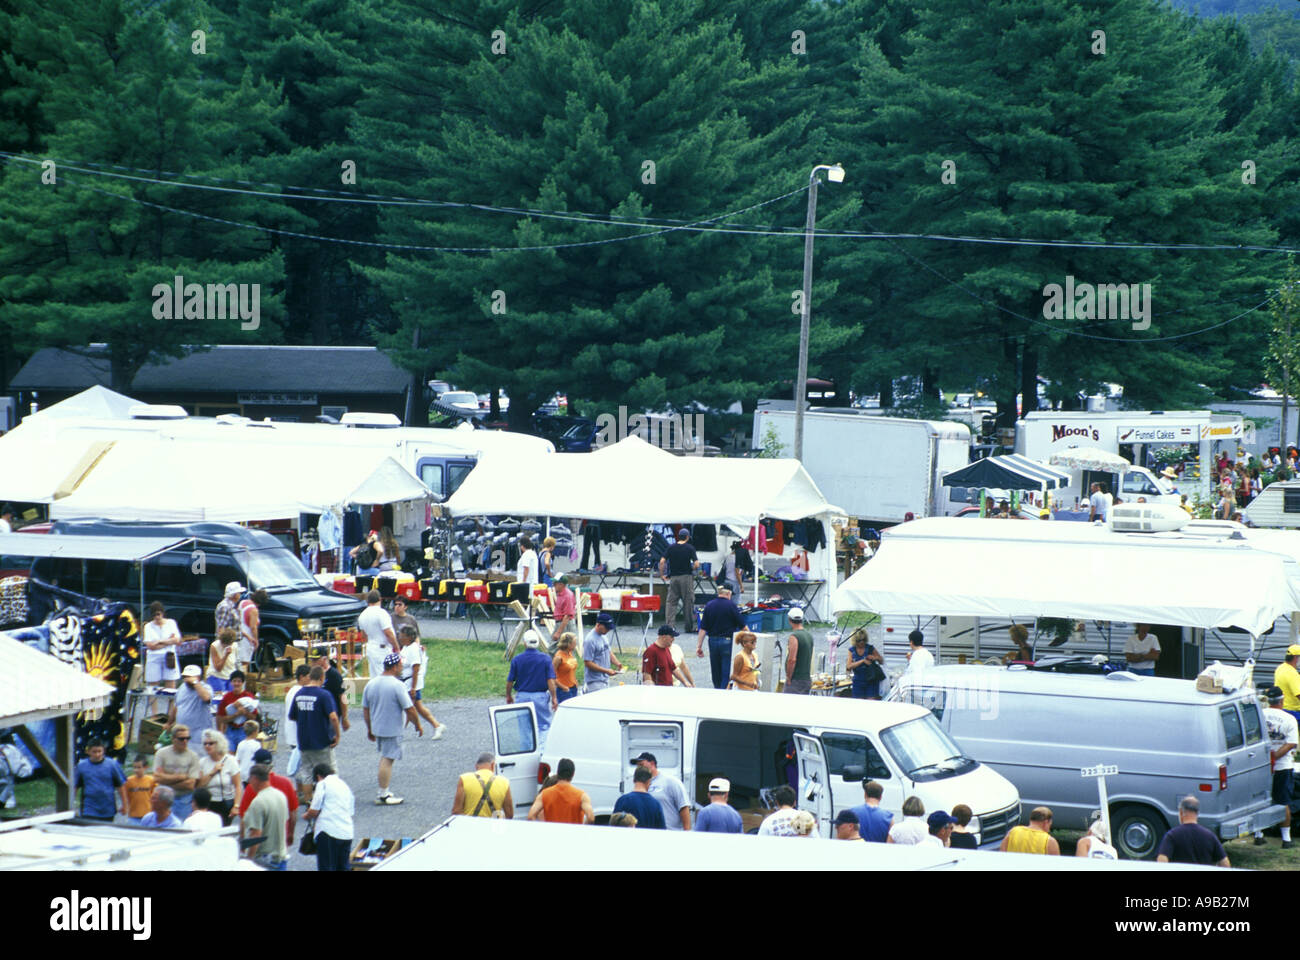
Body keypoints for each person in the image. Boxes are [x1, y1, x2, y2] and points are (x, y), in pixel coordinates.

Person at [363, 651, 424, 804]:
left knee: (385, 757)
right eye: (401, 665)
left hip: (377, 727)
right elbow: (409, 708)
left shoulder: (371, 684)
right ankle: (383, 794)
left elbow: (365, 708)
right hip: (392, 728)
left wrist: (369, 728)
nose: (402, 668)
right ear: (395, 666)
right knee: (388, 759)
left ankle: (384, 790)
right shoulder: (398, 686)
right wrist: (418, 725)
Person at [1255, 685, 1298, 849]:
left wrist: (1267, 758)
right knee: (1283, 802)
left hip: (1260, 766)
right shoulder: (1289, 719)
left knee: (1258, 801)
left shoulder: (1260, 715)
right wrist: (1275, 757)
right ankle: (1286, 839)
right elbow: (1291, 743)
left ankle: (1259, 835)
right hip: (1283, 766)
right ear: (1282, 700)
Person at [238, 748, 298, 846]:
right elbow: (293, 813)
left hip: (259, 839)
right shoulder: (286, 783)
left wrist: (242, 838)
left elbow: (243, 817)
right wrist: (291, 833)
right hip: (281, 835)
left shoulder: (252, 786)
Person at [506, 630, 559, 742]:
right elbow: (550, 680)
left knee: (524, 728)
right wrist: (554, 697)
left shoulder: (517, 659)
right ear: (538, 643)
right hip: (540, 696)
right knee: (543, 726)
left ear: (525, 643)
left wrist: (508, 695)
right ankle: (542, 751)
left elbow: (510, 680)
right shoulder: (545, 659)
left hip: (522, 696)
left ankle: (527, 751)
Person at [305, 763, 355, 872]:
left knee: (326, 867)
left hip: (328, 832)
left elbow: (314, 810)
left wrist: (306, 815)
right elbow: (350, 811)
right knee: (343, 867)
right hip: (346, 832)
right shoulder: (345, 786)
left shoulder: (323, 784)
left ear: (318, 776)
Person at [398, 626, 445, 736]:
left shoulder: (413, 649)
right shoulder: (405, 647)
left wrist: (414, 688)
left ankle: (402, 730)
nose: (399, 638)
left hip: (411, 683)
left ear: (409, 637)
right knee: (416, 707)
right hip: (406, 682)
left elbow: (416, 669)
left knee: (410, 707)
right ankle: (436, 725)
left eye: (402, 636)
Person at [696, 585, 746, 689]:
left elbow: (703, 628)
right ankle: (724, 691)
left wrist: (699, 646)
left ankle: (717, 689)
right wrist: (753, 638)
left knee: (715, 670)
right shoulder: (731, 605)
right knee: (726, 671)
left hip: (712, 641)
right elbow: (743, 626)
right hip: (727, 641)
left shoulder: (709, 605)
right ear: (729, 593)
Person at [1156, 796, 1229, 866]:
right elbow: (1225, 863)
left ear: (1181, 812)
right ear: (1197, 813)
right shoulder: (1210, 836)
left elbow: (1162, 860)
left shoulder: (1172, 835)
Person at [243, 764, 290, 870]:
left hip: (265, 860)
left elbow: (255, 835)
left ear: (254, 779)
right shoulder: (281, 796)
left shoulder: (258, 802)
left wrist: (249, 861)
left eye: (249, 780)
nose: (249, 783)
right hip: (281, 856)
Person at [631, 751, 690, 830]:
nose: (639, 768)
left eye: (641, 765)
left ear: (652, 764)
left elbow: (683, 807)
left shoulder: (670, 782)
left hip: (670, 833)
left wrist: (687, 832)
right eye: (637, 766)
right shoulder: (640, 784)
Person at [152, 724, 200, 820]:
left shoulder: (193, 756)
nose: (185, 741)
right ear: (173, 739)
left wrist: (165, 781)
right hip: (163, 799)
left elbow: (190, 784)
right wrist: (181, 777)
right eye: (181, 739)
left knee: (181, 828)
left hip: (184, 799)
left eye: (187, 738)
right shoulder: (161, 753)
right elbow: (157, 778)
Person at [527, 757, 594, 824]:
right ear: (573, 774)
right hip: (573, 834)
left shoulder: (544, 794)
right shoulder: (581, 796)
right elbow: (590, 817)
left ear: (558, 773)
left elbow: (530, 816)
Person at [196, 728, 242, 825]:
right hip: (209, 803)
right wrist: (213, 772)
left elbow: (238, 786)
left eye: (210, 743)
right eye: (205, 744)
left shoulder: (231, 761)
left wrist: (236, 806)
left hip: (226, 802)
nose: (207, 746)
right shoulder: (202, 762)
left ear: (218, 744)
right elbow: (199, 786)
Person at [73, 740, 126, 822]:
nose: (97, 754)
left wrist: (124, 804)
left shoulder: (112, 765)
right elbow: (75, 786)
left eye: (99, 751)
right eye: (94, 752)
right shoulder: (82, 766)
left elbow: (120, 785)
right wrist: (71, 804)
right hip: (89, 808)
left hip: (107, 808)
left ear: (103, 751)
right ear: (88, 752)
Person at [659, 528, 699, 634]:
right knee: (688, 602)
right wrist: (691, 569)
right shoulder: (690, 548)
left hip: (673, 578)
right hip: (686, 577)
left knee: (671, 603)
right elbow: (696, 564)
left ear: (678, 536)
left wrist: (662, 574)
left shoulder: (671, 547)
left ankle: (670, 627)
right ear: (687, 537)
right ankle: (689, 627)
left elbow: (662, 561)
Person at [453, 752, 514, 819]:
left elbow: (456, 811)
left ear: (476, 766)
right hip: (493, 827)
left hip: (470, 827)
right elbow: (509, 815)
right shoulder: (504, 782)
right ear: (493, 765)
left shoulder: (464, 779)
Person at [358, 589, 398, 680]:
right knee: (385, 677)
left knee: (374, 677)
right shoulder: (381, 613)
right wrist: (396, 647)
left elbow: (364, 635)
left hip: (371, 647)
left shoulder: (362, 615)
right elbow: (388, 633)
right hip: (382, 648)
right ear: (380, 599)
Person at [169, 664, 215, 746]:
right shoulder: (182, 687)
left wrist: (195, 682)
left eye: (190, 676)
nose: (187, 679)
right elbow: (176, 706)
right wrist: (169, 723)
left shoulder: (205, 687)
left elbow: (206, 698)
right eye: (185, 676)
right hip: (182, 733)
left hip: (199, 734)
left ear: (198, 677)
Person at [142, 600, 182, 690]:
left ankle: (171, 704)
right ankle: (153, 704)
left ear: (162, 613)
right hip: (154, 657)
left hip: (169, 656)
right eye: (154, 615)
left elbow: (177, 640)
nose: (157, 617)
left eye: (158, 614)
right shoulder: (148, 626)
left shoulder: (171, 623)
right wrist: (169, 641)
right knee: (152, 687)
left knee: (171, 685)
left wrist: (158, 641)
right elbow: (150, 646)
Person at [217, 670, 258, 753]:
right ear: (231, 682)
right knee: (229, 755)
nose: (236, 684)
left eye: (239, 681)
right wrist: (236, 714)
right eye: (234, 681)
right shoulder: (227, 697)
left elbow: (254, 717)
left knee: (242, 754)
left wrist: (245, 713)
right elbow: (221, 718)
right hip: (230, 730)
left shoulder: (248, 696)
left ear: (243, 683)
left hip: (244, 730)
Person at [312, 645, 350, 731]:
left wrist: (344, 718)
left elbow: (343, 696)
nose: (313, 663)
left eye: (316, 660)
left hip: (331, 714)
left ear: (325, 659)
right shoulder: (312, 674)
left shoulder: (334, 675)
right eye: (312, 660)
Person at [582, 612, 623, 692]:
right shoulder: (590, 640)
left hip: (604, 679)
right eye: (606, 628)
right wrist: (606, 670)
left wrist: (617, 663)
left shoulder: (604, 636)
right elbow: (587, 663)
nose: (608, 630)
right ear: (598, 624)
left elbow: (608, 651)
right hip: (594, 681)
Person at [845, 628, 885, 699]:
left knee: (871, 701)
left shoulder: (870, 648)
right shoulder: (852, 650)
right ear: (854, 640)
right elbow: (848, 666)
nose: (861, 642)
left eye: (863, 640)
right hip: (858, 681)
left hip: (871, 680)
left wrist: (874, 657)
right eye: (859, 640)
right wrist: (862, 661)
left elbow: (881, 661)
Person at [781, 607, 813, 694]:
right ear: (802, 619)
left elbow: (792, 660)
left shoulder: (794, 637)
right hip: (806, 678)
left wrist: (788, 677)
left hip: (796, 679)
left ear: (789, 620)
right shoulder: (809, 635)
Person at [213, 581, 243, 667]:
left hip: (234, 643)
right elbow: (221, 628)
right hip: (228, 644)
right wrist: (223, 647)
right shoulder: (225, 607)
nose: (240, 594)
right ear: (233, 594)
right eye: (238, 592)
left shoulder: (232, 606)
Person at [237, 589, 267, 670]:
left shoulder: (242, 603)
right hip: (247, 638)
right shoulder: (254, 610)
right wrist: (256, 640)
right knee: (244, 663)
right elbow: (253, 627)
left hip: (239, 633)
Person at [124, 755, 155, 825]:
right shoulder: (129, 781)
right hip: (133, 816)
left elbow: (154, 797)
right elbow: (126, 796)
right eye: (134, 767)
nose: (136, 770)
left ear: (146, 767)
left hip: (148, 815)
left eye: (139, 767)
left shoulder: (151, 780)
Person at [1274, 645, 1300, 725]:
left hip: (1282, 708)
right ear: (1296, 658)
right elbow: (1298, 694)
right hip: (1293, 712)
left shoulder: (1280, 668)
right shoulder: (1292, 673)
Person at [207, 627, 238, 693]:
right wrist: (226, 655)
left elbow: (236, 664)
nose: (224, 645)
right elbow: (218, 668)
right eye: (223, 643)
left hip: (230, 677)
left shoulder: (235, 645)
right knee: (218, 700)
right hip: (216, 677)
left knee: (230, 700)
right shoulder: (214, 646)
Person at [553, 632, 580, 704]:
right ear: (568, 644)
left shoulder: (570, 653)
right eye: (574, 643)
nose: (576, 645)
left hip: (573, 687)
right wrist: (563, 687)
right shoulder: (558, 657)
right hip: (564, 690)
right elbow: (551, 676)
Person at [551, 572, 577, 640]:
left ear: (561, 584)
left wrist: (558, 632)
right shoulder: (560, 594)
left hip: (565, 625)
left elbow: (567, 616)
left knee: (556, 648)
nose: (553, 585)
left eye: (555, 583)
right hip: (561, 624)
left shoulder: (567, 596)